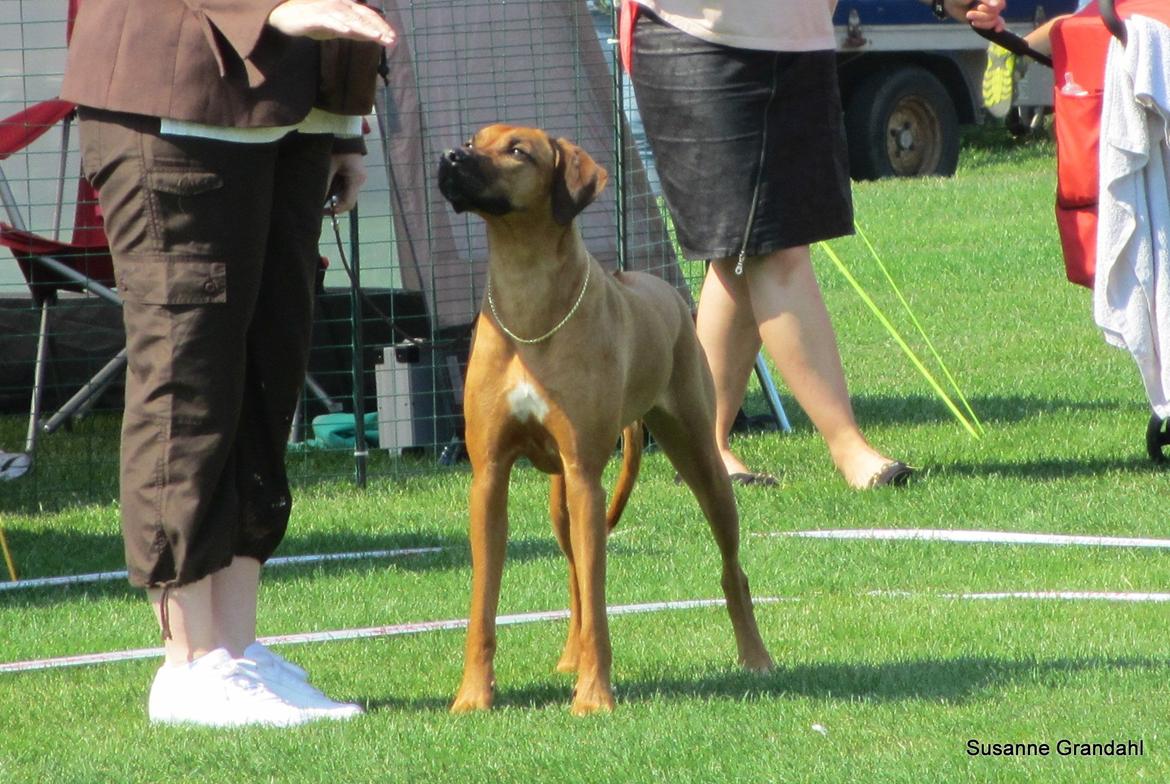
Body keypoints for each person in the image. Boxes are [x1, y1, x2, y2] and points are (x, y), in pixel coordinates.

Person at [59, 0, 395, 727]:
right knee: (190, 380)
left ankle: (236, 652)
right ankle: (188, 664)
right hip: (175, 98)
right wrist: (275, 8)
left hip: (294, 119)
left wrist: (343, 120)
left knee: (267, 377)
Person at [623, 0, 1002, 489]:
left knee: (739, 255)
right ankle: (849, 447)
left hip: (800, 42)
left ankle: (704, 450)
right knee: (775, 250)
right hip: (699, 38)